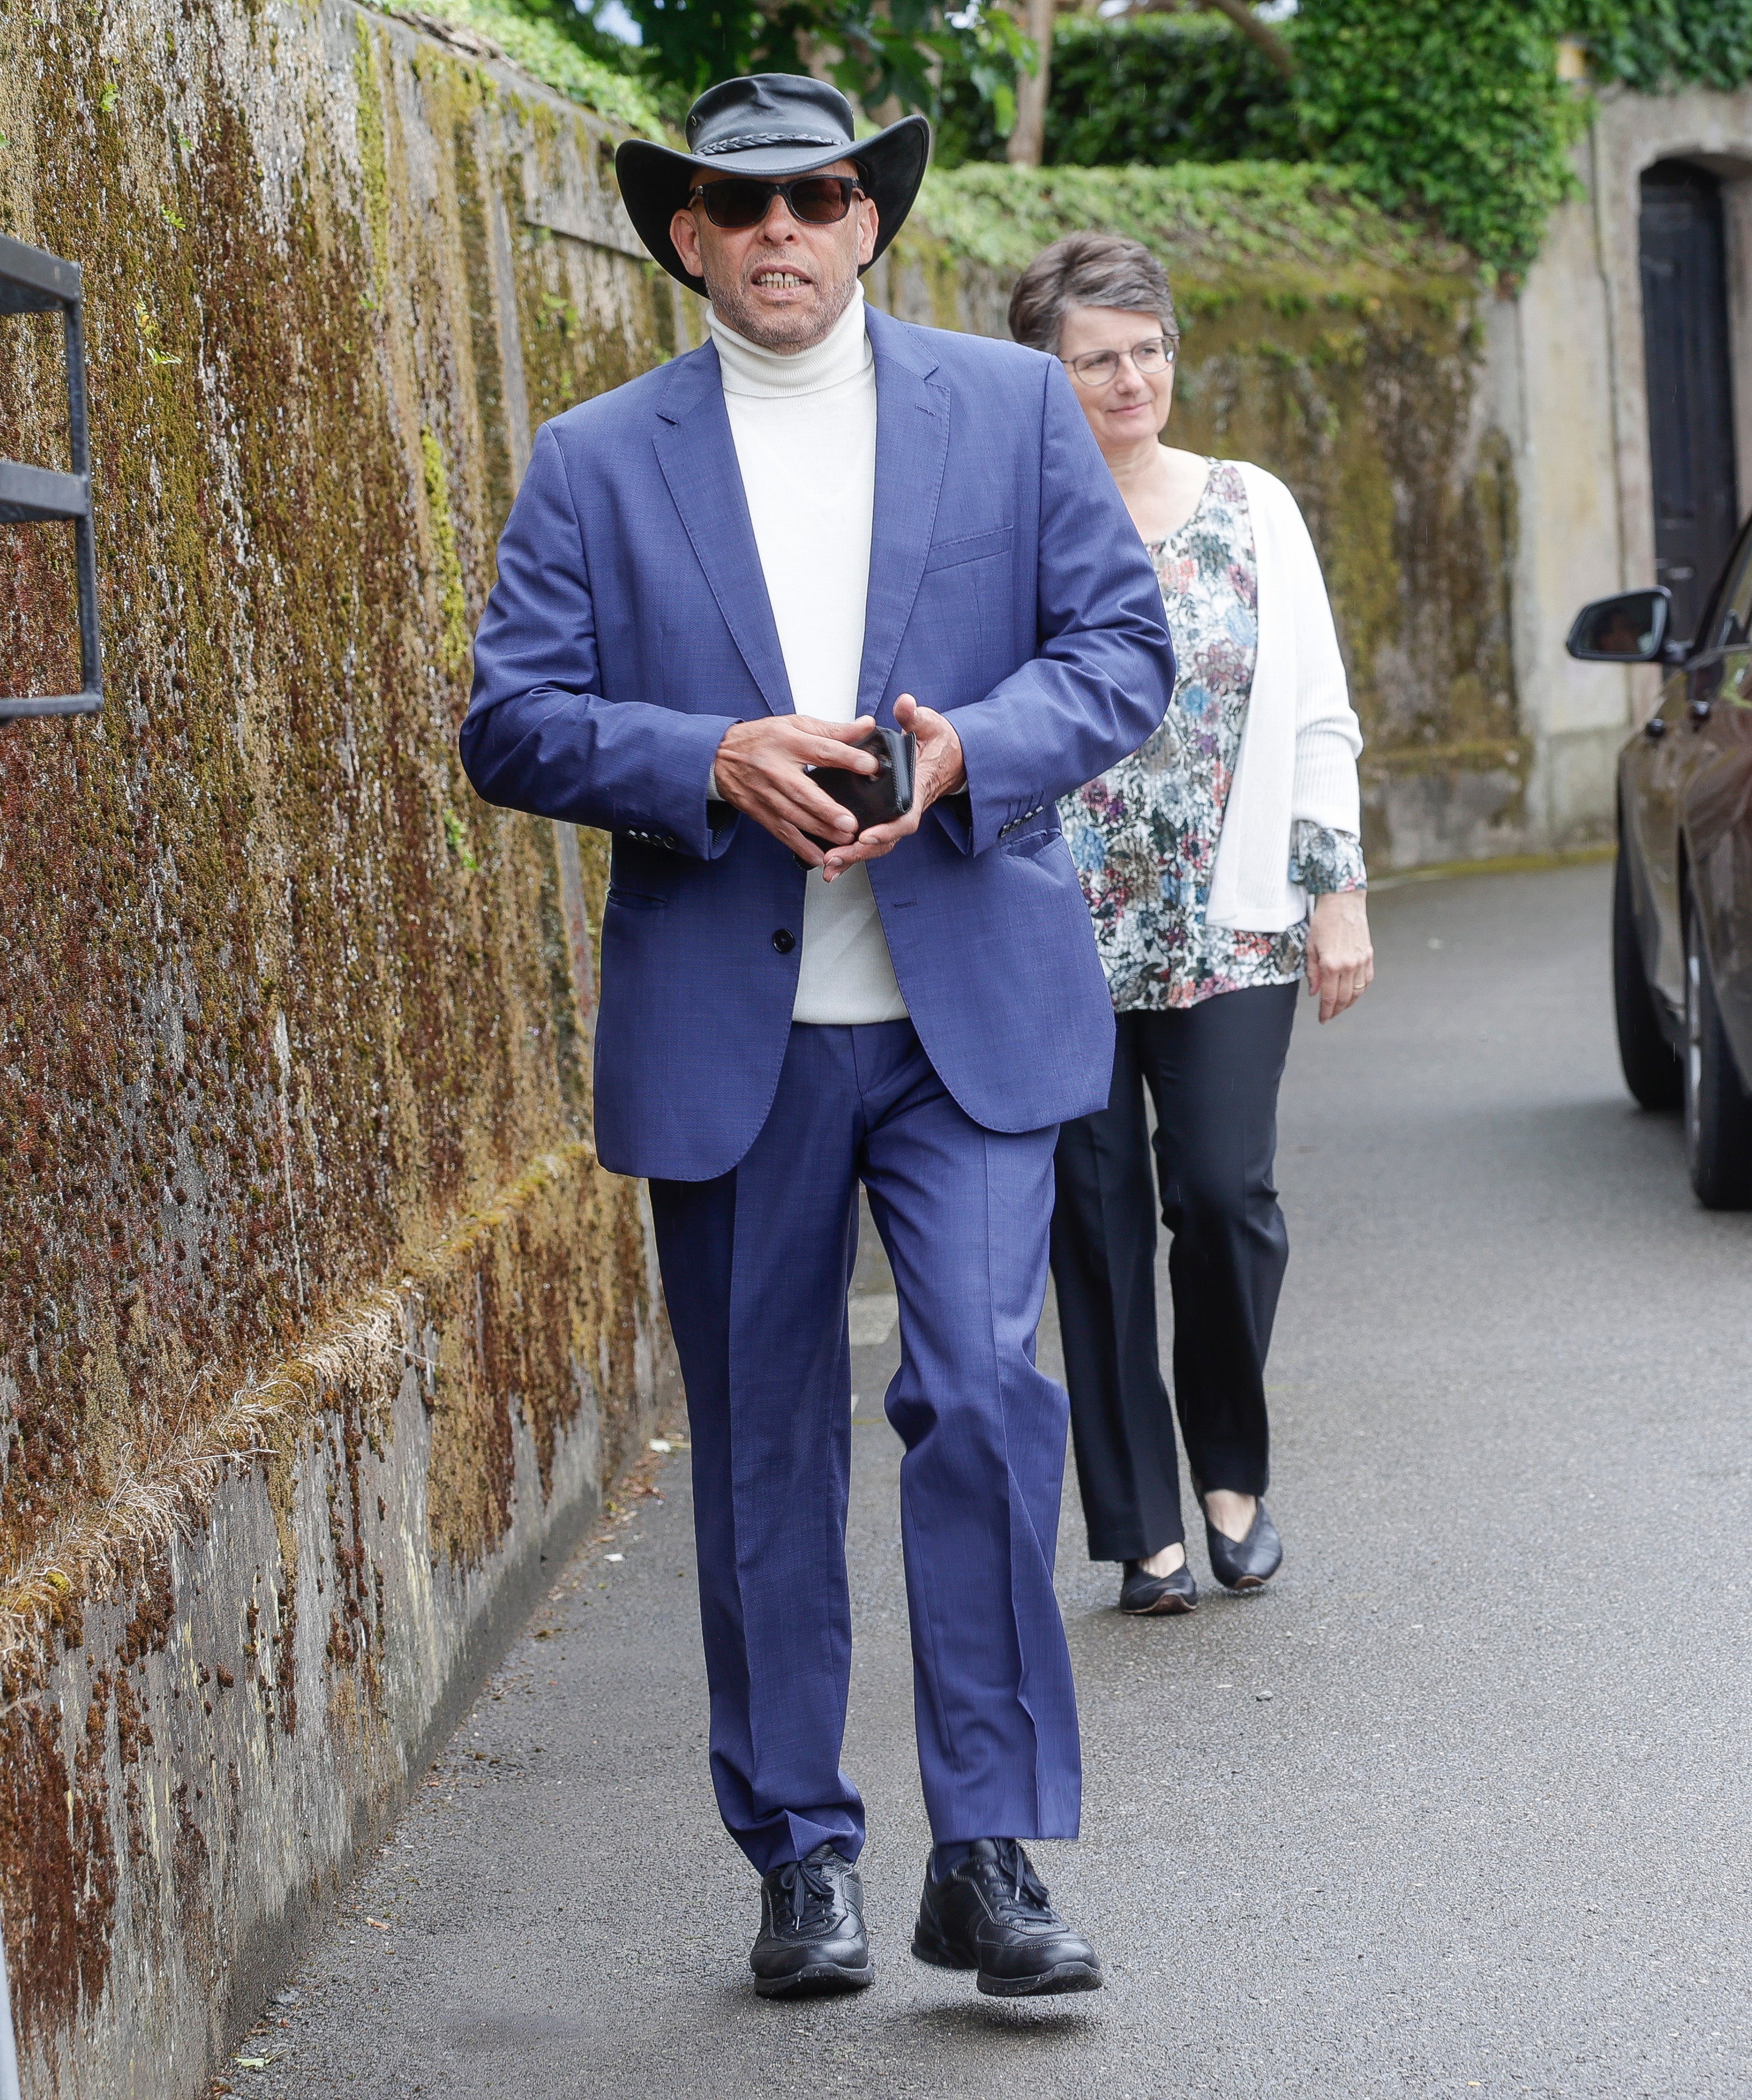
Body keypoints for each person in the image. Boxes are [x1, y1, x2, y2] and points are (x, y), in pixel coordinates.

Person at [461, 77, 1172, 2001]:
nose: (782, 231)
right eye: (739, 204)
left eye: (820, 198)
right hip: (736, 1029)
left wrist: (966, 750)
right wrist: (697, 754)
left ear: (871, 226)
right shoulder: (596, 459)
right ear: (684, 234)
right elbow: (506, 719)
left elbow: (1120, 654)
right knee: (763, 1450)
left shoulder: (1013, 411)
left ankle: (994, 1847)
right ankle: (802, 1855)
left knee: (985, 1394)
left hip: (966, 1022)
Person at [1008, 233, 1375, 1618]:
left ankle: (1231, 1470)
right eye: (1098, 358)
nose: (1131, 377)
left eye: (1149, 348)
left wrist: (1335, 888)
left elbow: (1321, 711)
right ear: (1048, 372)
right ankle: (1141, 1528)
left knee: (1224, 1198)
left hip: (1230, 928)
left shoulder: (1252, 504)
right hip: (1053, 931)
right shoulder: (1019, 520)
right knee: (1092, 1224)